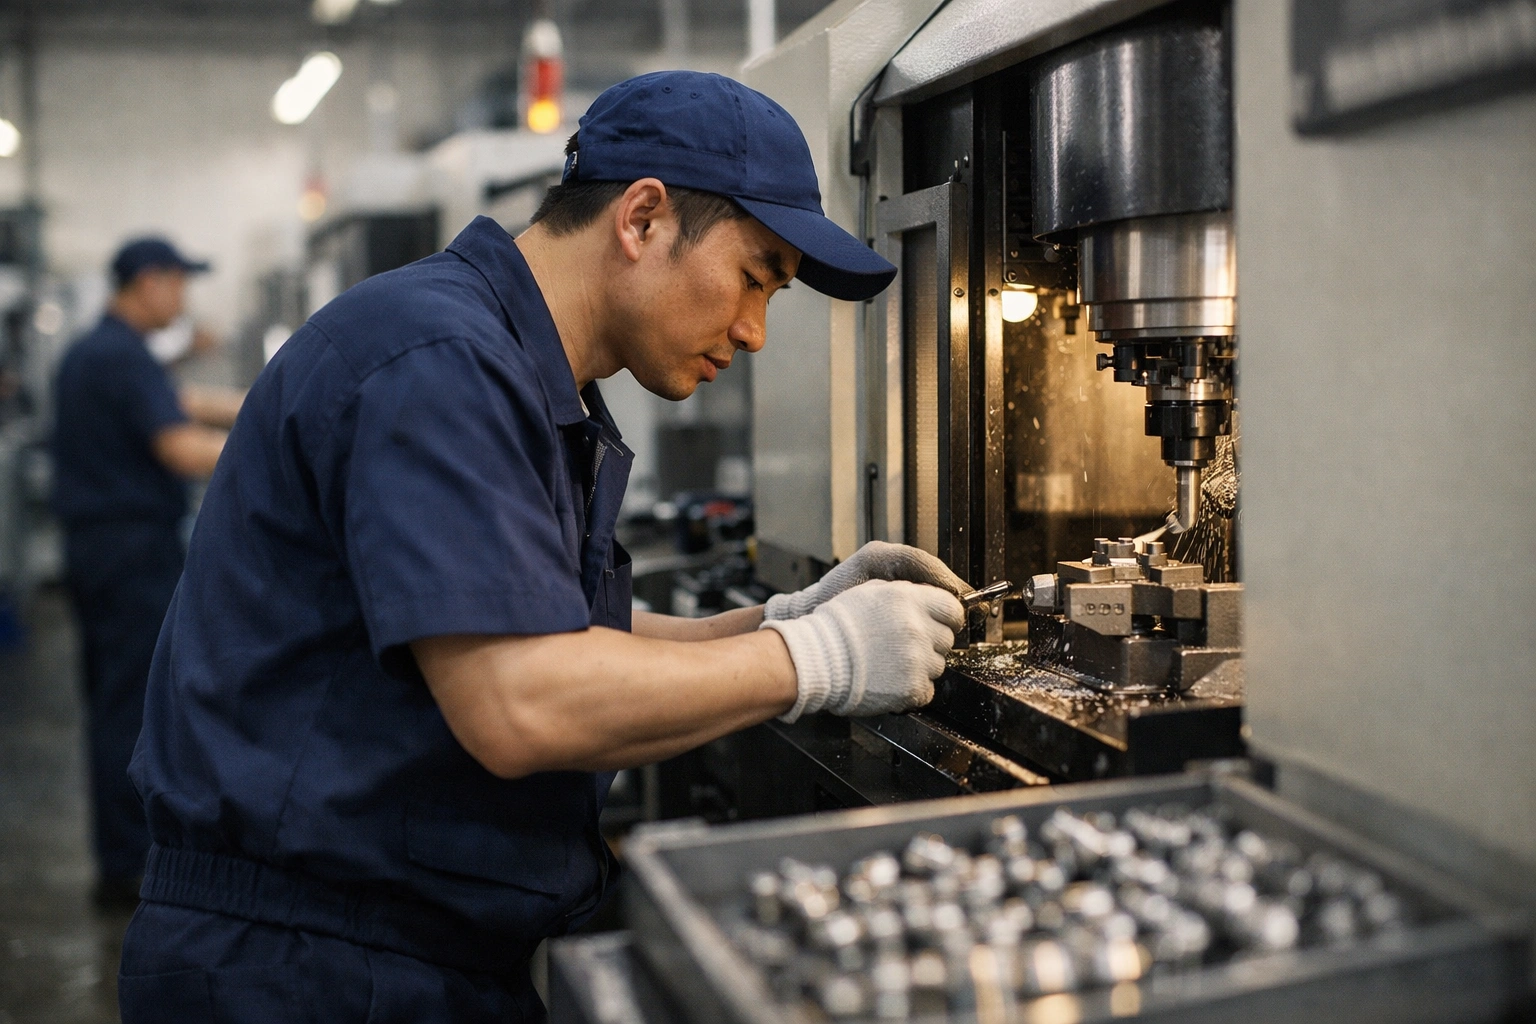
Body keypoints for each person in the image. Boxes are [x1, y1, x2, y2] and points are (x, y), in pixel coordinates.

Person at [118, 72, 966, 1022]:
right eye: (754, 276)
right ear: (641, 218)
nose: (755, 330)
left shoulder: (516, 372)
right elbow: (520, 700)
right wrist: (820, 659)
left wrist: (771, 621)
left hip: (399, 949)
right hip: (302, 970)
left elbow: (566, 636)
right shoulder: (438, 359)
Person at [51, 237, 240, 909]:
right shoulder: (120, 356)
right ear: (150, 282)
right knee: (129, 707)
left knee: (115, 697)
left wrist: (273, 401)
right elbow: (180, 446)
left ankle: (120, 853)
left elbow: (183, 402)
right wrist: (277, 450)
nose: (184, 300)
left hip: (100, 548)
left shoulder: (101, 352)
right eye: (179, 284)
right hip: (129, 553)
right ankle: (127, 865)